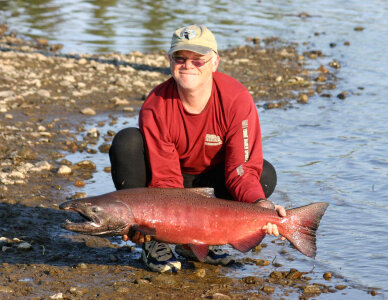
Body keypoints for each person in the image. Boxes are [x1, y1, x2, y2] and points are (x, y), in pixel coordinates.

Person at [109, 24, 286, 273]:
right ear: (169, 61)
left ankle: (202, 242)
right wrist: (155, 226)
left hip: (215, 182)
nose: (188, 65)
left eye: (198, 59)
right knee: (126, 142)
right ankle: (153, 243)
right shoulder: (156, 105)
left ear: (214, 62)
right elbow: (166, 180)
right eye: (180, 58)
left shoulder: (237, 99)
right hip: (168, 185)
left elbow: (242, 171)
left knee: (264, 175)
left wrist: (261, 206)